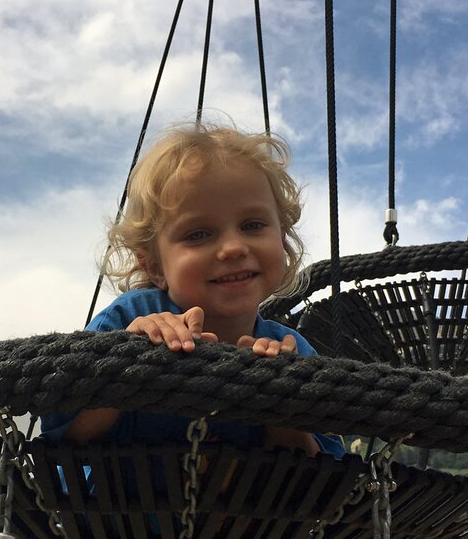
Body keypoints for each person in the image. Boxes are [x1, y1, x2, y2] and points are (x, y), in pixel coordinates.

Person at [41, 122, 344, 459]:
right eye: (198, 234)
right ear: (154, 266)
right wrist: (126, 361)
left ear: (283, 238)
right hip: (117, 508)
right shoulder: (129, 318)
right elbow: (66, 440)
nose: (232, 247)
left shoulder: (295, 352)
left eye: (252, 225)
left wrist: (282, 399)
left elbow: (319, 474)